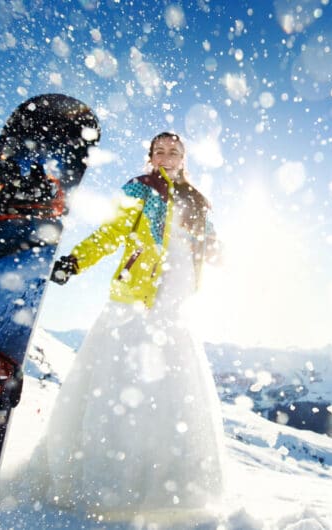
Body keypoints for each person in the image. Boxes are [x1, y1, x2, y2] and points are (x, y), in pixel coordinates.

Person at [39, 132, 224, 522]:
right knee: (123, 378)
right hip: (138, 292)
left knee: (169, 383)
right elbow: (112, 231)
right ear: (150, 156)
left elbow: (210, 242)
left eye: (174, 151)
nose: (167, 156)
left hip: (177, 293)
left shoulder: (196, 198)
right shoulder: (140, 188)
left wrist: (216, 248)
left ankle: (168, 483)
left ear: (184, 157)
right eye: (160, 151)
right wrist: (77, 260)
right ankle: (111, 482)